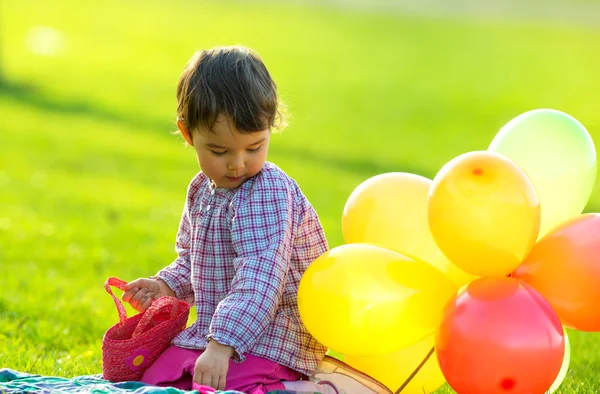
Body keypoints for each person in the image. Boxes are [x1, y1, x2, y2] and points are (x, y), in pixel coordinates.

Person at [121, 45, 383, 394]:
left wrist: (221, 346)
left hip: (276, 334)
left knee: (232, 388)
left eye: (254, 147)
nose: (237, 164)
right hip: (219, 331)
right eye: (219, 151)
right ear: (188, 135)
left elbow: (260, 280)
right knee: (155, 380)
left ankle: (309, 389)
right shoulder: (202, 189)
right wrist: (165, 286)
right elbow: (192, 261)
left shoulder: (266, 192)